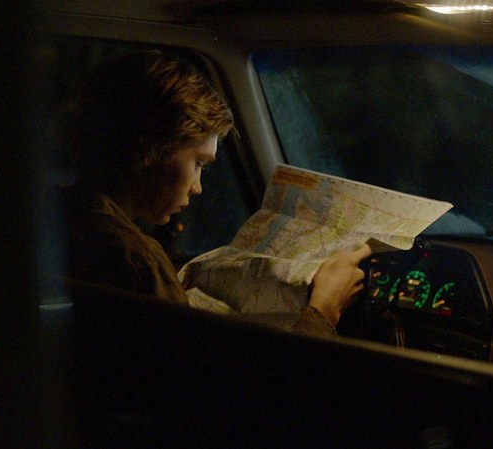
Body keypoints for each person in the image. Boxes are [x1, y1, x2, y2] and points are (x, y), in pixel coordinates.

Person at [64, 49, 370, 336]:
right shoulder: (134, 261)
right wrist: (322, 310)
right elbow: (206, 377)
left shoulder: (64, 219)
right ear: (151, 149)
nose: (197, 187)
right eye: (198, 163)